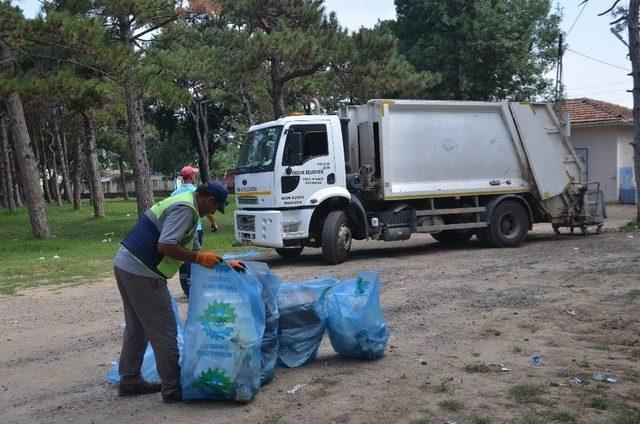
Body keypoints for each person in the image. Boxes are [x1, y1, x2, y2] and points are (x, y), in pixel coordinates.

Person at [112, 181, 243, 403]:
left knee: (137, 328)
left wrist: (223, 262)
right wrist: (200, 258)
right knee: (165, 331)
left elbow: (189, 247)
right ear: (210, 200)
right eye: (215, 208)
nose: (213, 213)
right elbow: (166, 245)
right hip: (142, 271)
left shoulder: (184, 203)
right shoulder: (187, 209)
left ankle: (130, 380)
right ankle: (173, 389)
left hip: (126, 264)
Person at [171, 166, 219, 297]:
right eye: (194, 174)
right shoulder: (197, 192)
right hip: (195, 230)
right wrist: (213, 222)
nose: (195, 176)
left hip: (179, 232)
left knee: (182, 258)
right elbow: (207, 211)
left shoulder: (175, 193)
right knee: (195, 258)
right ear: (191, 177)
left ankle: (185, 288)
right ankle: (194, 287)